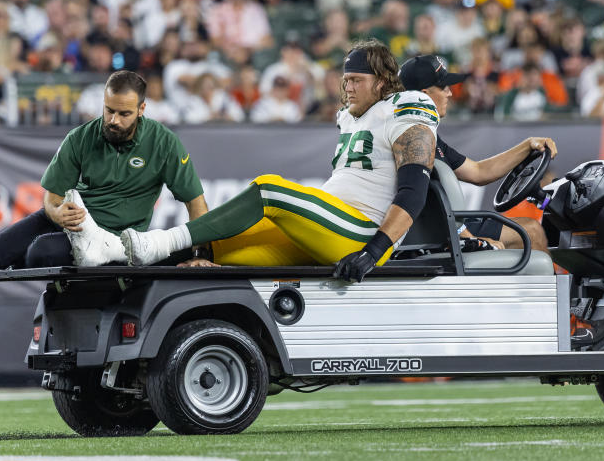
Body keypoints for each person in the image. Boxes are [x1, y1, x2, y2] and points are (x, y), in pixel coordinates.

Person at [0, 71, 210, 354]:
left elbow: (195, 202)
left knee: (41, 253)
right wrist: (58, 214)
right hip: (70, 223)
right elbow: (50, 200)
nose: (113, 120)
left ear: (141, 109)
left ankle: (25, 255)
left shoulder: (165, 143)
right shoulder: (80, 138)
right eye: (108, 110)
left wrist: (198, 253)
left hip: (113, 239)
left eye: (123, 114)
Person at [120, 40, 439, 284]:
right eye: (346, 80)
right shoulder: (351, 117)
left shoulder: (407, 105)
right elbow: (473, 169)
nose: (348, 87)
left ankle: (159, 240)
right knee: (213, 245)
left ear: (383, 81)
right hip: (325, 230)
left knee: (269, 189)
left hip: (362, 232)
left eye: (356, 80)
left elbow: (413, 192)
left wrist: (374, 251)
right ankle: (115, 258)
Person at [398, 55, 554, 252]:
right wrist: (470, 238)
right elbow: (420, 198)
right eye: (443, 87)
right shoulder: (416, 137)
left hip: (442, 223)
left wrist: (527, 146)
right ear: (424, 95)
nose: (450, 94)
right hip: (434, 230)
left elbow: (479, 171)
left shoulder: (423, 131)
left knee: (530, 229)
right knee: (533, 231)